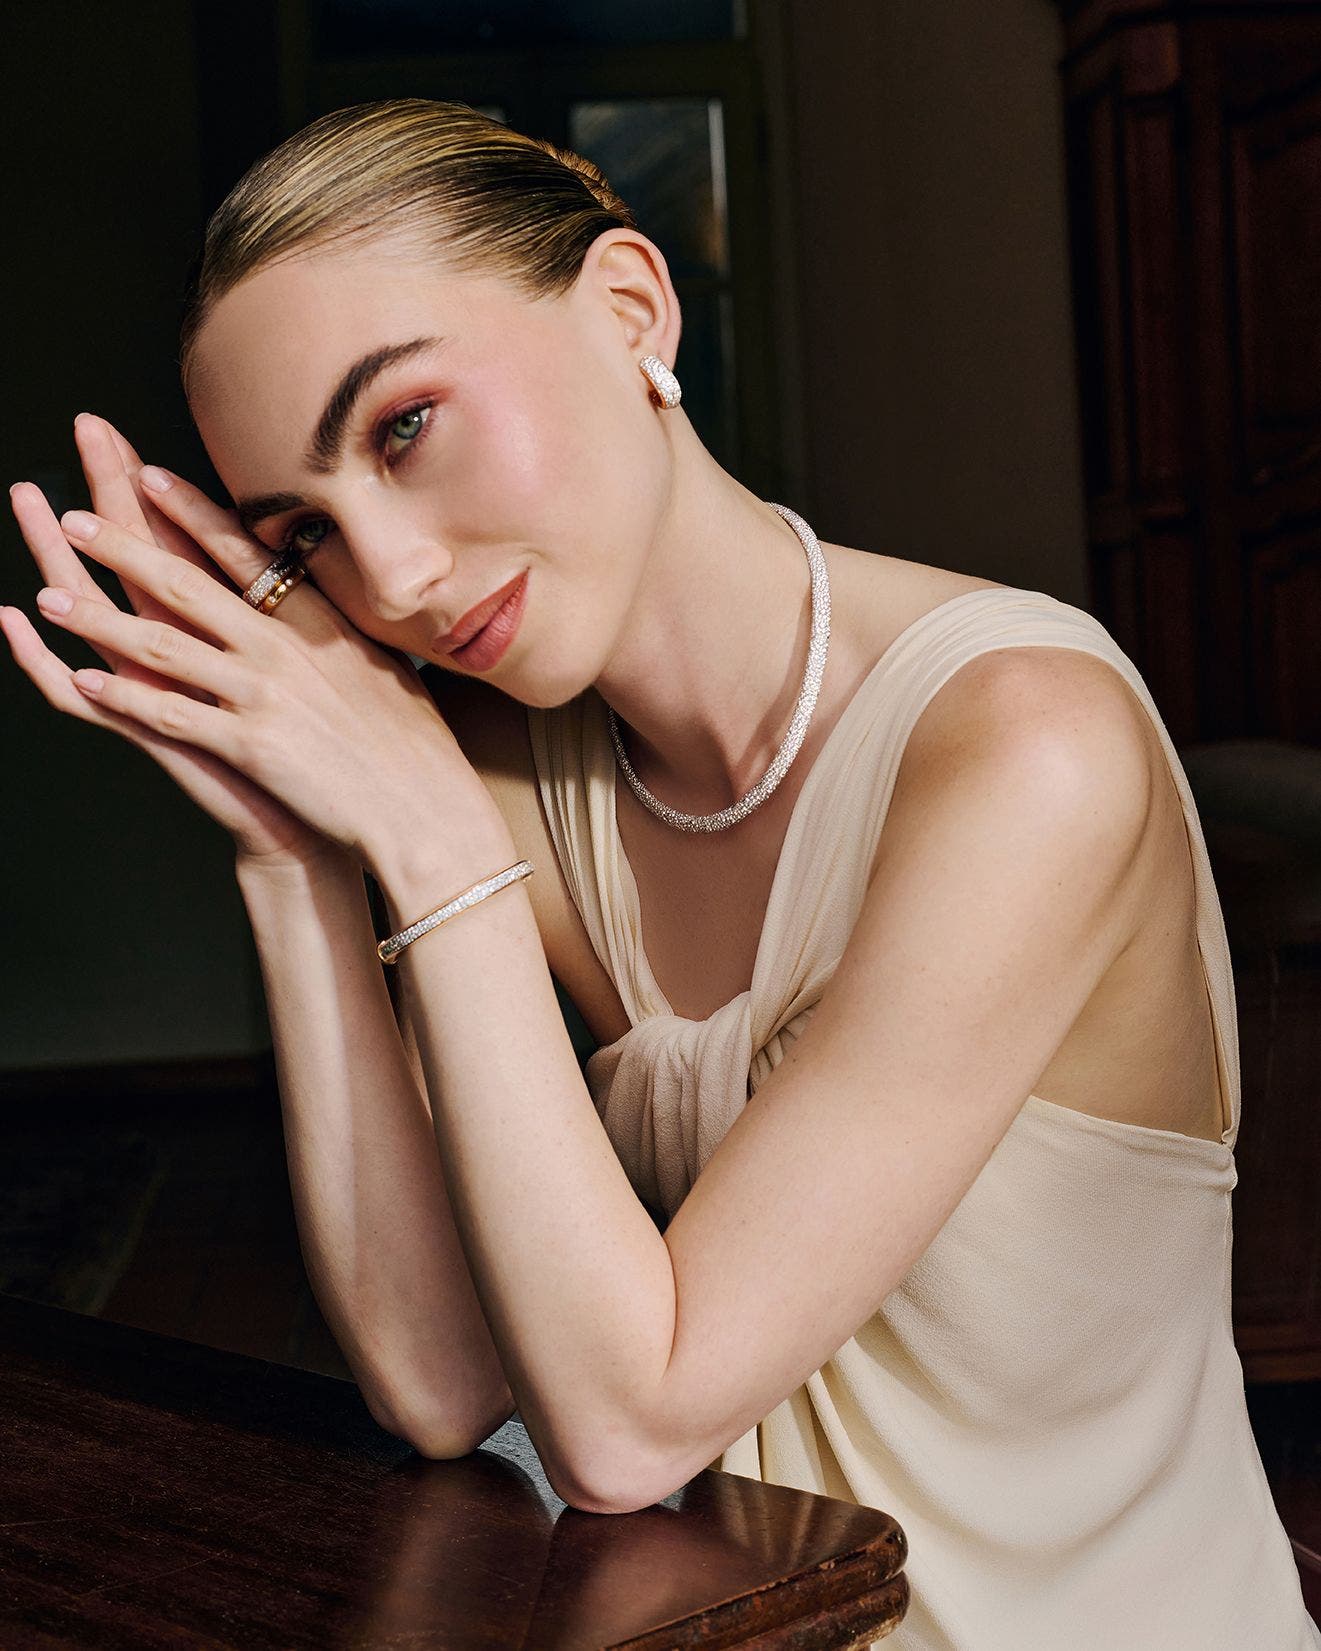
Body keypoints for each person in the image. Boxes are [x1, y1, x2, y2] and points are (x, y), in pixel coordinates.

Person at [3, 98, 1316, 1651]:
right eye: (309, 530)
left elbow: (629, 1435)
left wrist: (424, 840)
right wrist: (292, 855)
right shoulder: (513, 773)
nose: (394, 580)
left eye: (405, 426)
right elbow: (444, 1386)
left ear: (630, 309)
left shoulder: (1026, 743)